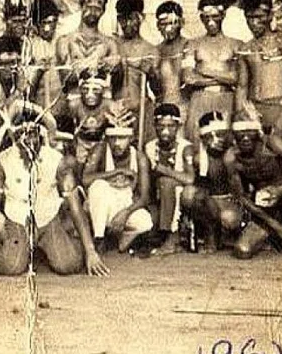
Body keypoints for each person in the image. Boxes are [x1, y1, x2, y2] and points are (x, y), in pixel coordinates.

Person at [0, 103, 109, 277]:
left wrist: (91, 252)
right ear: (15, 138)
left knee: (68, 265)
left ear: (41, 136)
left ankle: (59, 239)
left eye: (33, 135)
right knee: (13, 266)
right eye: (22, 136)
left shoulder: (57, 161)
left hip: (47, 218)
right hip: (17, 220)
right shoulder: (3, 162)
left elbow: (75, 206)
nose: (28, 142)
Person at [224, 109, 282, 263]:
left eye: (249, 131)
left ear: (257, 132)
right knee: (242, 250)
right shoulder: (231, 158)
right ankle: (275, 235)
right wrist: (275, 225)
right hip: (265, 208)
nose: (245, 137)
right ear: (233, 135)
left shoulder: (272, 143)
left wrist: (280, 190)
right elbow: (242, 197)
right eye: (240, 133)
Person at [81, 118, 154, 253]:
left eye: (122, 138)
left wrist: (125, 213)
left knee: (145, 222)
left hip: (123, 205)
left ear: (131, 138)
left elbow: (144, 197)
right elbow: (85, 179)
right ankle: (99, 238)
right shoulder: (100, 150)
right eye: (113, 138)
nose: (116, 143)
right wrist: (117, 171)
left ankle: (116, 237)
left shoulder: (139, 158)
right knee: (99, 186)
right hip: (99, 206)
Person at [236, 0, 282, 137]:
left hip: (277, 106)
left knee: (280, 154)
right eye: (249, 17)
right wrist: (240, 113)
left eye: (258, 17)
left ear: (270, 16)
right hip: (253, 108)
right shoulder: (246, 48)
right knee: (256, 156)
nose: (253, 23)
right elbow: (242, 86)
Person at [182, 0, 242, 141]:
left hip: (226, 99)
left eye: (214, 16)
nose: (210, 22)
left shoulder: (236, 44)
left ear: (223, 15)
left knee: (224, 143)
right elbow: (188, 78)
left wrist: (206, 72)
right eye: (206, 17)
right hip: (200, 99)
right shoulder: (192, 44)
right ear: (201, 18)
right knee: (197, 143)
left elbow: (237, 78)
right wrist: (222, 78)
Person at [184, 111, 243, 252]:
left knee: (228, 218)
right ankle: (209, 231)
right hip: (211, 201)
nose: (218, 139)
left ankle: (229, 234)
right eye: (210, 136)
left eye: (221, 134)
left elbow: (240, 190)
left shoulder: (234, 154)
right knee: (190, 194)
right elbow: (201, 189)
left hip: (232, 201)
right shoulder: (200, 158)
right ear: (203, 139)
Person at [143, 103, 194, 254]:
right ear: (154, 126)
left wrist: (164, 170)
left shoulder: (186, 147)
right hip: (157, 196)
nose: (165, 131)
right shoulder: (150, 147)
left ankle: (171, 236)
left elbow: (190, 179)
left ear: (178, 126)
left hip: (181, 196)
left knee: (166, 182)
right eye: (161, 126)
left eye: (171, 126)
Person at [56, 0, 120, 92]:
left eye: (97, 8)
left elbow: (117, 82)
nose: (93, 12)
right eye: (89, 7)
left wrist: (116, 68)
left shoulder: (110, 43)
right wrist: (95, 65)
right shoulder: (65, 41)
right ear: (81, 6)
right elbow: (65, 80)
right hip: (73, 103)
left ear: (103, 11)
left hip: (101, 105)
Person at [114, 0, 159, 143]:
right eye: (122, 19)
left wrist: (152, 74)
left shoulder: (150, 49)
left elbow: (157, 90)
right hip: (115, 111)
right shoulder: (112, 45)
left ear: (141, 17)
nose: (127, 23)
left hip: (141, 112)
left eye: (132, 18)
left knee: (141, 154)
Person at [155, 1, 189, 125]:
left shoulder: (189, 46)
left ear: (181, 22)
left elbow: (190, 80)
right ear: (158, 25)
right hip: (163, 107)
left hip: (186, 106)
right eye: (163, 24)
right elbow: (156, 88)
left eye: (172, 23)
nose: (168, 28)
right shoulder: (156, 50)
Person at [28, 0, 64, 111]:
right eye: (43, 23)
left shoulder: (63, 41)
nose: (47, 28)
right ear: (35, 24)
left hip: (63, 107)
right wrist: (38, 70)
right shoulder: (30, 45)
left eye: (51, 22)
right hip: (39, 108)